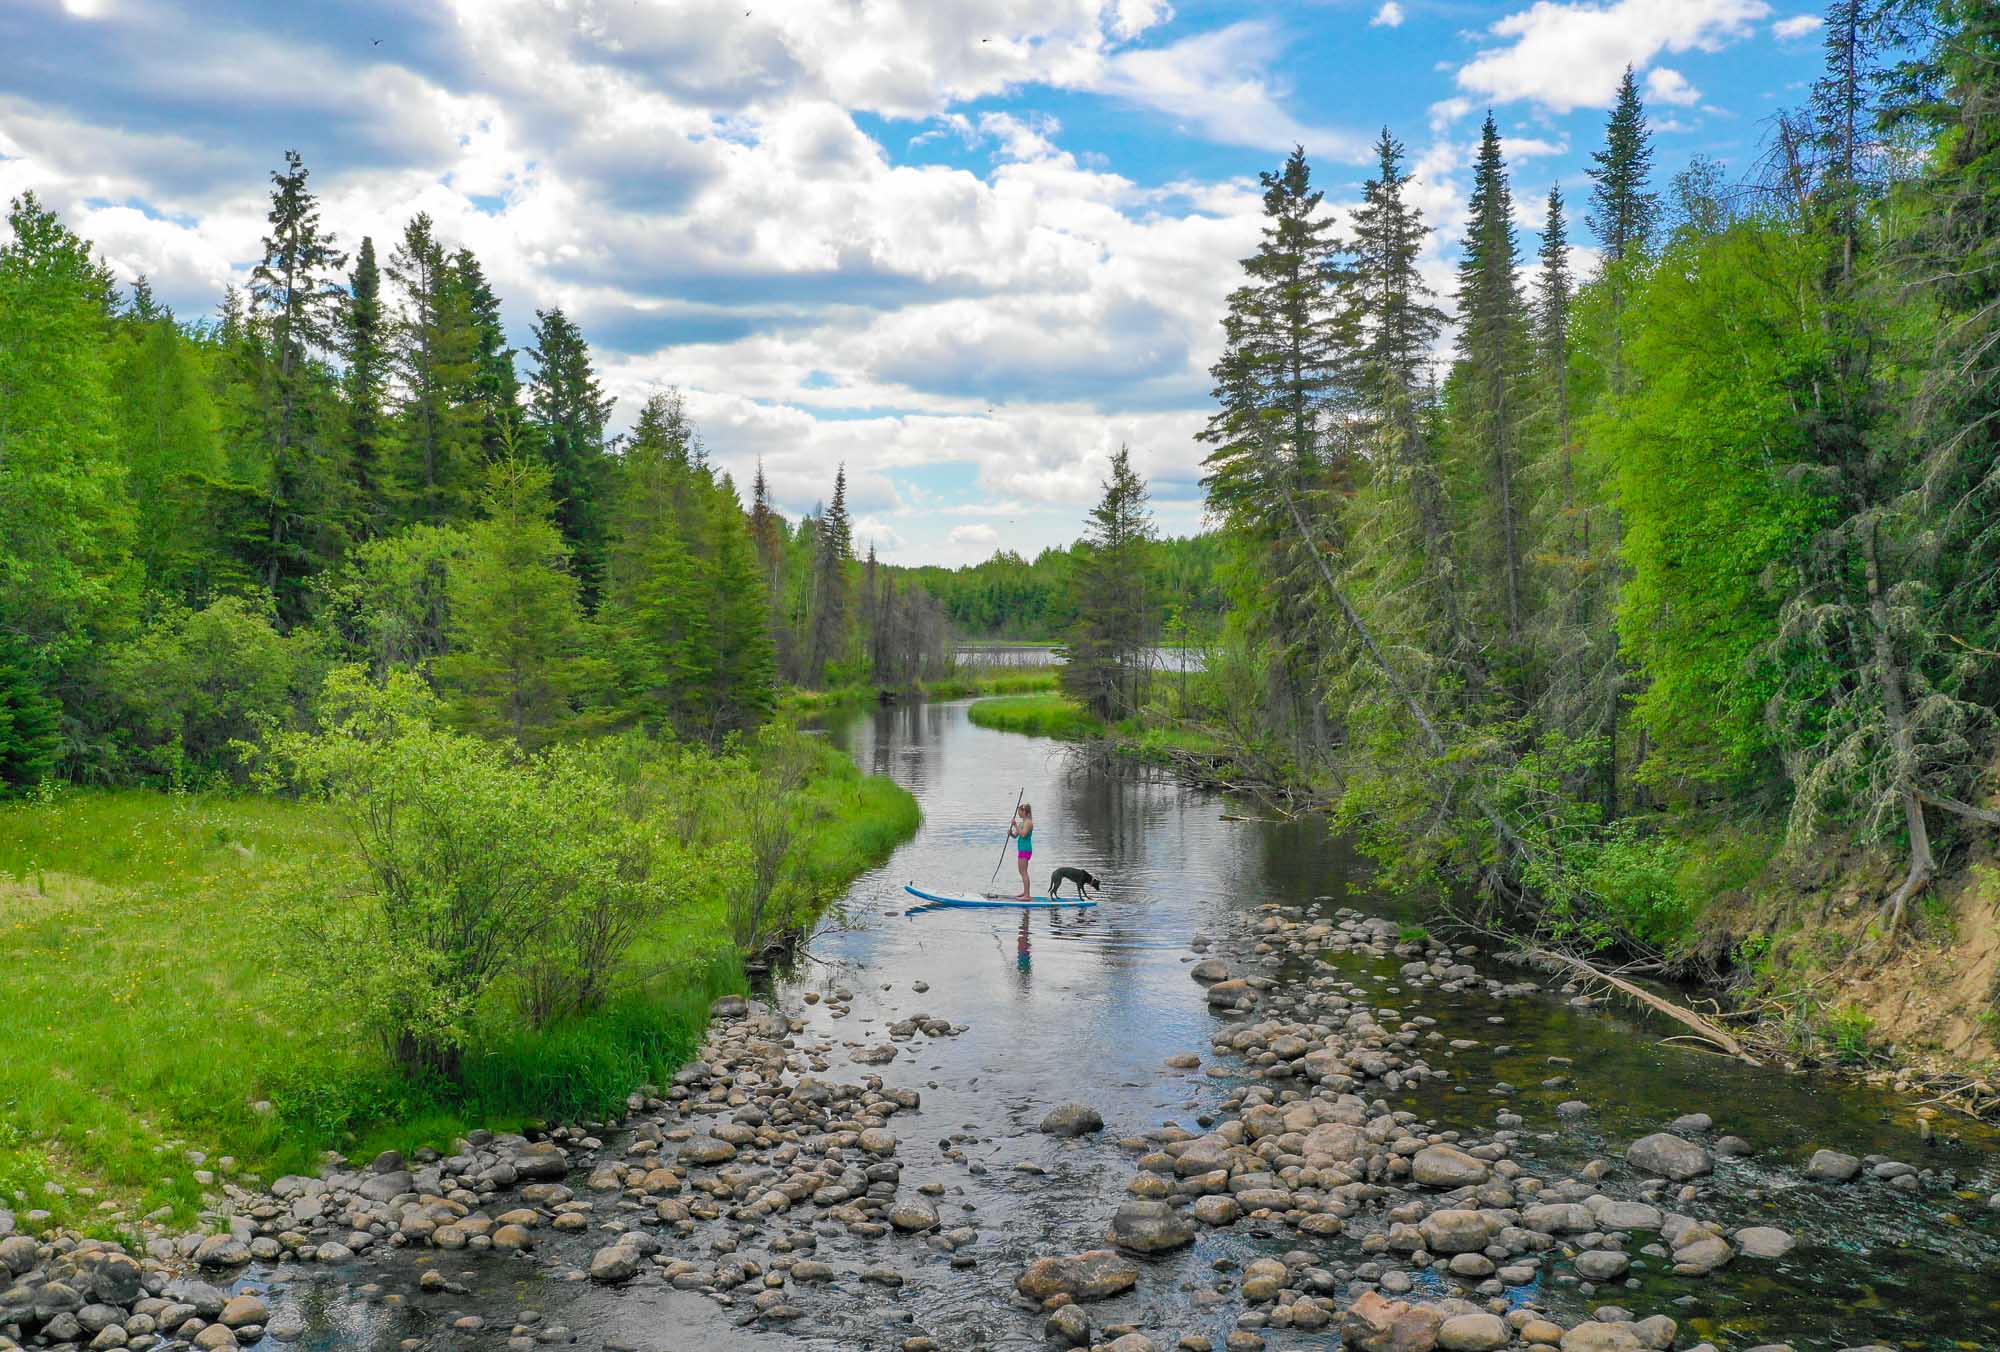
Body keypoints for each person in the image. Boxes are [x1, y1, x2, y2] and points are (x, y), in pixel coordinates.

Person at [1008, 803, 1034, 900]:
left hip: (1026, 849)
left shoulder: (1028, 822)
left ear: (1025, 812)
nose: (1018, 813)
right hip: (1021, 849)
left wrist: (1015, 825)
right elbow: (1016, 835)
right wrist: (1011, 834)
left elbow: (1023, 834)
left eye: (1020, 811)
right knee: (1021, 871)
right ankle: (1025, 892)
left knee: (1023, 871)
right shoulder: (1022, 823)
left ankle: (1027, 895)